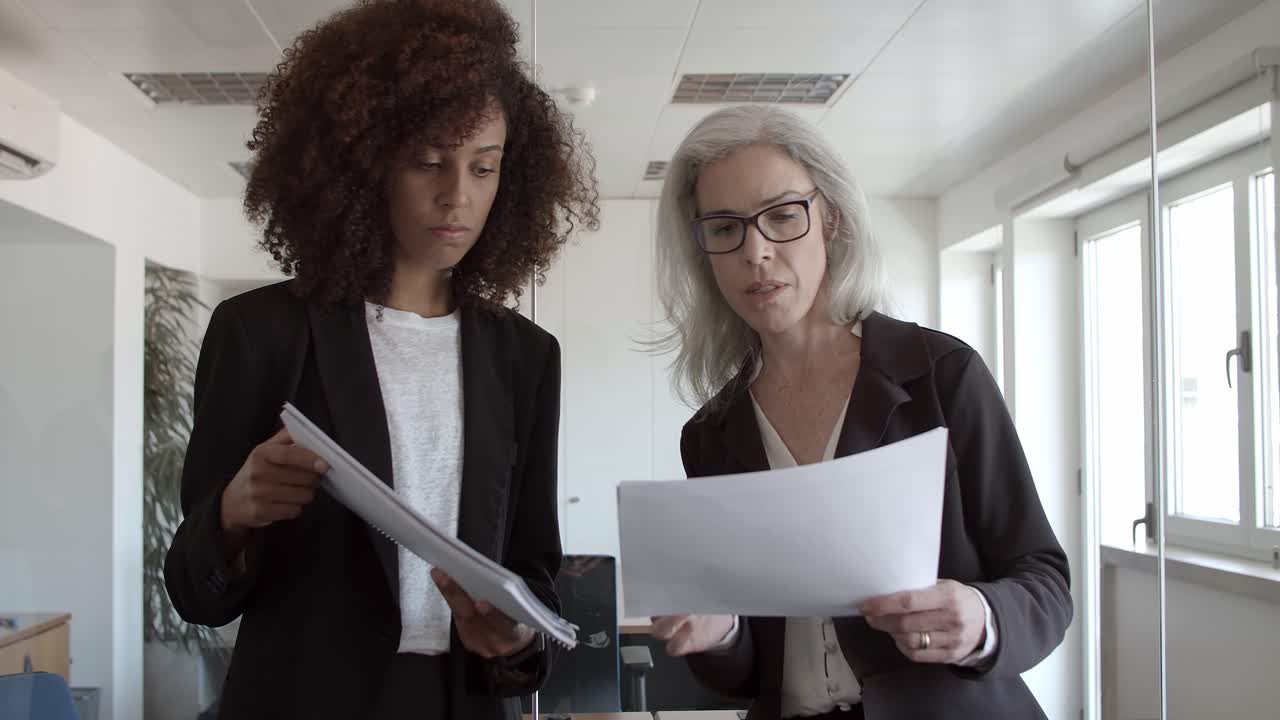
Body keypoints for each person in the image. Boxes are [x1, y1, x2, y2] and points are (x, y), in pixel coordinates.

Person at [163, 1, 598, 718]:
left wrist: (519, 637)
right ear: (363, 164)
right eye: (428, 161)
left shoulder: (526, 357)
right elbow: (191, 589)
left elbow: (533, 578)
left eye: (484, 167)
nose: (457, 194)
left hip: (461, 701)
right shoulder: (260, 332)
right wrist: (233, 512)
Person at [647, 105, 1071, 720]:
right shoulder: (711, 435)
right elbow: (749, 675)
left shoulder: (941, 376)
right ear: (703, 250)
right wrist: (721, 633)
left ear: (832, 220)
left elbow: (1045, 583)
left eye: (783, 216)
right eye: (724, 228)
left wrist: (981, 617)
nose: (756, 252)